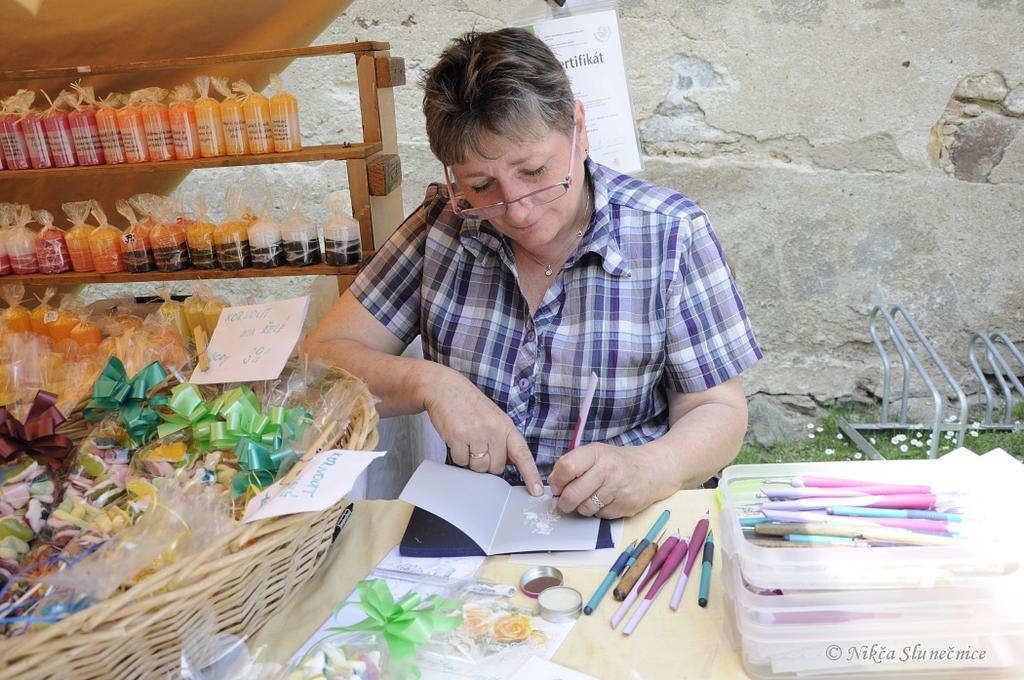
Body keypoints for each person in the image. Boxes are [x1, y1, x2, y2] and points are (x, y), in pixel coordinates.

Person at [305, 27, 761, 519]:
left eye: (534, 171)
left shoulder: (670, 233)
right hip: (476, 520)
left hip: (622, 521)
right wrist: (430, 383)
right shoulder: (442, 229)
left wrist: (650, 468)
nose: (517, 210)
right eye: (482, 185)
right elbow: (319, 361)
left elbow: (718, 410)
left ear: (579, 129)